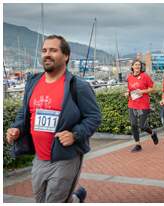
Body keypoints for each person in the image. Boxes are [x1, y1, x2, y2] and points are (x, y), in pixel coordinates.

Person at [6, 35, 101, 203]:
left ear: (66, 56)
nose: (47, 54)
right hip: (39, 158)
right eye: (44, 50)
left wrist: (75, 134)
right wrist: (17, 128)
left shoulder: (78, 86)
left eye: (53, 50)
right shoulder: (32, 82)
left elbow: (94, 117)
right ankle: (76, 199)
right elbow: (24, 112)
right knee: (41, 200)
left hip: (65, 158)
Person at [125, 59, 158, 152]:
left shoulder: (145, 76)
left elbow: (153, 89)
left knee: (142, 126)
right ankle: (138, 145)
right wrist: (127, 93)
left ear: (141, 67)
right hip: (132, 104)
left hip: (143, 104)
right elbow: (129, 89)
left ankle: (152, 133)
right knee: (133, 124)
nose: (137, 66)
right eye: (135, 65)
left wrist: (142, 91)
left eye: (139, 65)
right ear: (132, 67)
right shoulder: (130, 77)